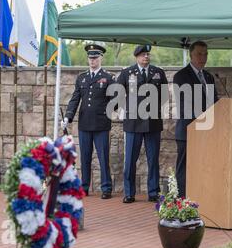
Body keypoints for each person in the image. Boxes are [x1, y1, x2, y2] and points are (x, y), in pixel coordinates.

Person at [116, 44, 168, 203]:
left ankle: (153, 192)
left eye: (147, 54)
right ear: (136, 57)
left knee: (153, 159)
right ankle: (129, 193)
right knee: (131, 159)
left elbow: (164, 95)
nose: (146, 57)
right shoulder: (127, 73)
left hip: (152, 122)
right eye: (143, 54)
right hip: (133, 122)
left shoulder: (158, 73)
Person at [62, 43, 115, 199]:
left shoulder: (108, 78)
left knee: (103, 157)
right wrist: (68, 116)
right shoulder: (82, 78)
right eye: (90, 58)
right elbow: (75, 98)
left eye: (95, 58)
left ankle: (106, 188)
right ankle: (84, 187)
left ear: (101, 58)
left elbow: (115, 99)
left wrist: (111, 111)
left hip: (101, 124)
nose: (93, 61)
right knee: (85, 157)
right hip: (85, 123)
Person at [173, 41, 219, 198]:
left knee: (203, 167)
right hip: (188, 132)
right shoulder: (181, 76)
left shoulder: (209, 77)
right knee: (184, 169)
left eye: (205, 54)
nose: (203, 57)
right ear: (190, 54)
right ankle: (182, 202)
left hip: (207, 132)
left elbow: (215, 102)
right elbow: (189, 102)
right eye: (199, 53)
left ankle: (201, 199)